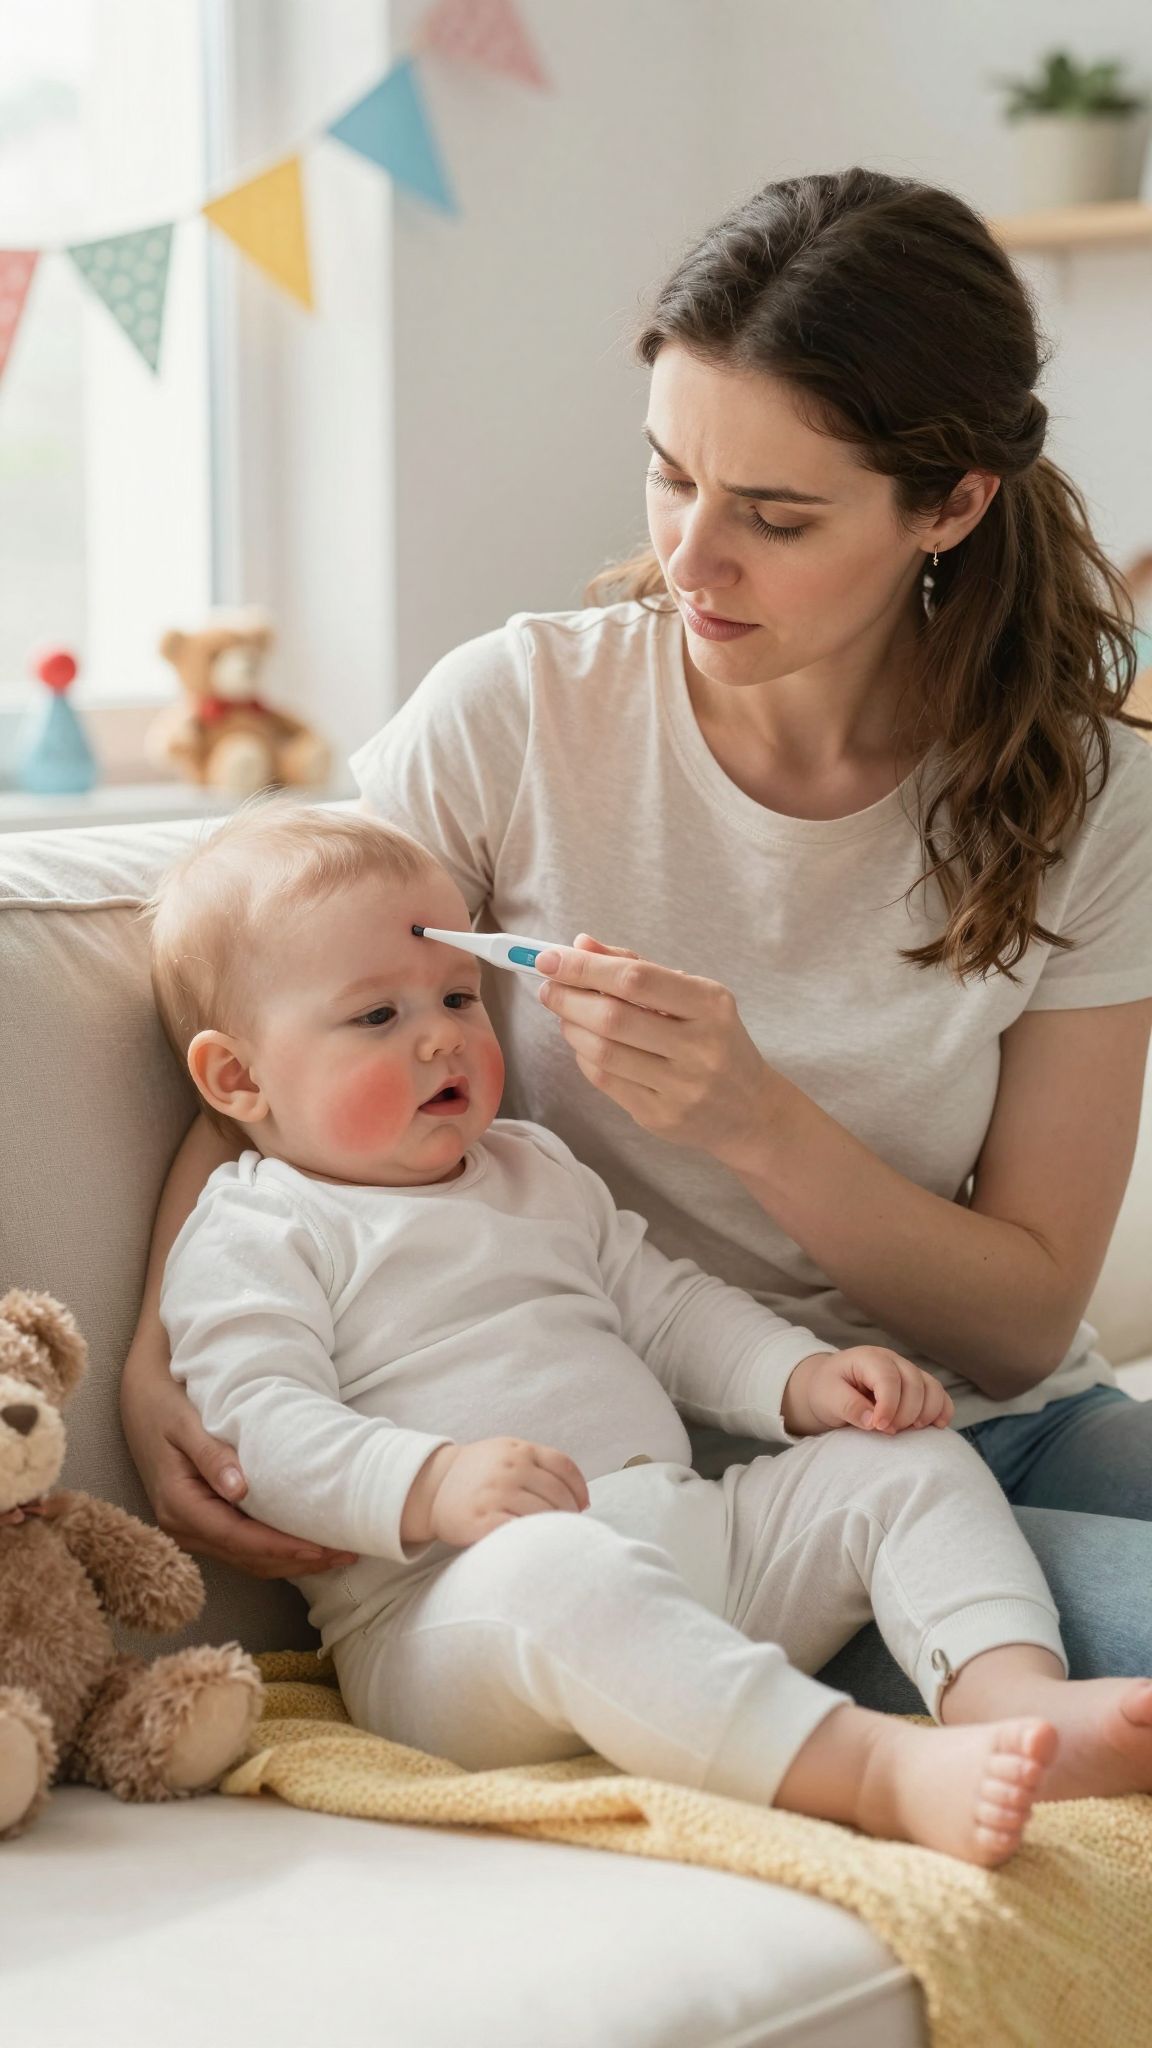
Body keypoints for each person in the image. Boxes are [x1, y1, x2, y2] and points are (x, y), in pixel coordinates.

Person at [121, 167, 1152, 1706]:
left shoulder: (1094, 796)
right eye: (672, 476)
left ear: (950, 505)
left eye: (776, 515)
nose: (691, 558)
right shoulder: (516, 717)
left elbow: (1015, 1328)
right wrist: (157, 1354)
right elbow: (279, 1038)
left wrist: (757, 1123)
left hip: (995, 1415)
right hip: (698, 1488)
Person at [147, 803, 1152, 1867]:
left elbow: (667, 1306)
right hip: (460, 1613)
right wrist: (430, 1481)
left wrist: (801, 1378)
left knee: (902, 1465)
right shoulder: (260, 1226)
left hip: (696, 1534)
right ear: (237, 1079)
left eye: (455, 995)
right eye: (375, 1017)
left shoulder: (534, 1167)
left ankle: (1013, 1703)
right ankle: (872, 1769)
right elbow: (258, 1425)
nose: (442, 1032)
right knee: (560, 1571)